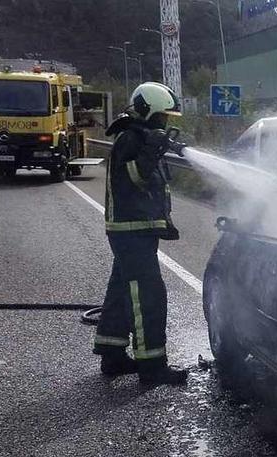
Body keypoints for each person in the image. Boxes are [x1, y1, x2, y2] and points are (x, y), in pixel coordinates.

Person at [94, 82, 188, 386]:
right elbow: (134, 178)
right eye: (162, 117)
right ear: (146, 110)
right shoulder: (130, 140)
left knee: (122, 289)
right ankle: (152, 366)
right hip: (131, 230)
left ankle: (113, 354)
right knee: (148, 294)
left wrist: (158, 145)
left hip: (134, 230)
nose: (164, 122)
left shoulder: (140, 136)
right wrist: (151, 149)